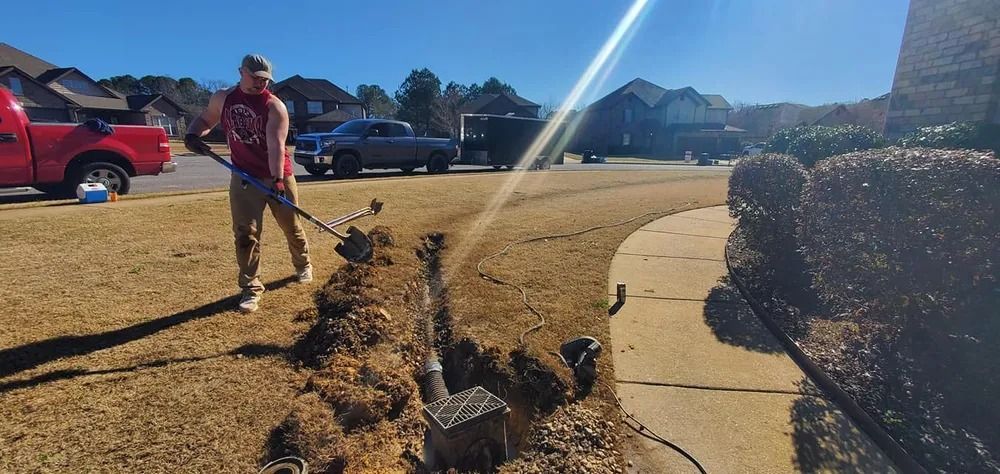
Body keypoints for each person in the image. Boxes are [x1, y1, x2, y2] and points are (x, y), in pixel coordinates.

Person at [184, 54, 312, 313]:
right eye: (254, 78)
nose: (259, 83)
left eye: (264, 79)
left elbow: (276, 146)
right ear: (241, 72)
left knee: (291, 225)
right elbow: (207, 119)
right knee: (246, 233)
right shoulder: (223, 98)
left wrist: (277, 181)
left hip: (278, 175)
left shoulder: (275, 106)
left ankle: (303, 265)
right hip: (243, 176)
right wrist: (192, 134)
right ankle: (251, 288)